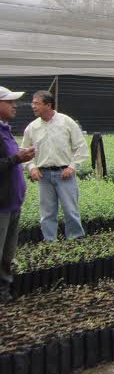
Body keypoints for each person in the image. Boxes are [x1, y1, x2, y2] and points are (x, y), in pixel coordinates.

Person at [21, 90, 89, 241]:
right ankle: (50, 242)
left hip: (65, 173)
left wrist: (72, 167)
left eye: (37, 103)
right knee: (47, 213)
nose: (33, 106)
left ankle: (75, 240)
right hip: (43, 176)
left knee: (71, 210)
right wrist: (32, 168)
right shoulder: (32, 127)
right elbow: (24, 152)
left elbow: (81, 147)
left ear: (48, 105)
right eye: (33, 103)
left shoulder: (66, 122)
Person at [0, 87, 36, 302]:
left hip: (11, 204)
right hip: (1, 205)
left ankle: (4, 293)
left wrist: (22, 159)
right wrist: (17, 159)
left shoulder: (5, 130)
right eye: (9, 102)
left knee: (7, 254)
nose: (15, 106)